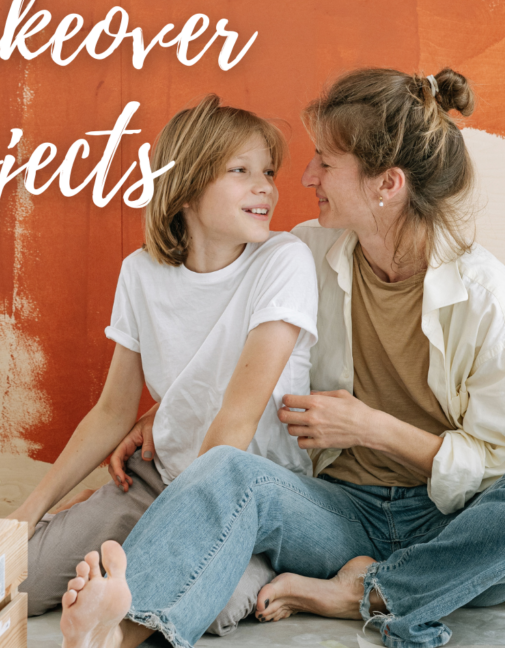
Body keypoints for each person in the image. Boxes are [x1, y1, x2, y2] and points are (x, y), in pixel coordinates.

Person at [58, 67, 505, 648]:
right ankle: (115, 633)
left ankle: (371, 592)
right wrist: (164, 411)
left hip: (450, 526)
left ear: (386, 184)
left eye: (326, 161)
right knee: (226, 470)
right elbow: (238, 348)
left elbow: (495, 464)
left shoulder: (485, 297)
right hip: (338, 511)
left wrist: (375, 429)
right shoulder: (302, 255)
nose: (305, 175)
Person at [11, 94, 319, 624]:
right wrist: (26, 513)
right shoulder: (141, 273)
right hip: (162, 479)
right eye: (241, 170)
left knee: (204, 604)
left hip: (247, 495)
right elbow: (112, 411)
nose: (265, 186)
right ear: (188, 187)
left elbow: (236, 420)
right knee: (19, 577)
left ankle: (274, 572)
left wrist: (171, 539)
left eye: (268, 171)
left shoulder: (284, 261)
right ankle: (127, 566)